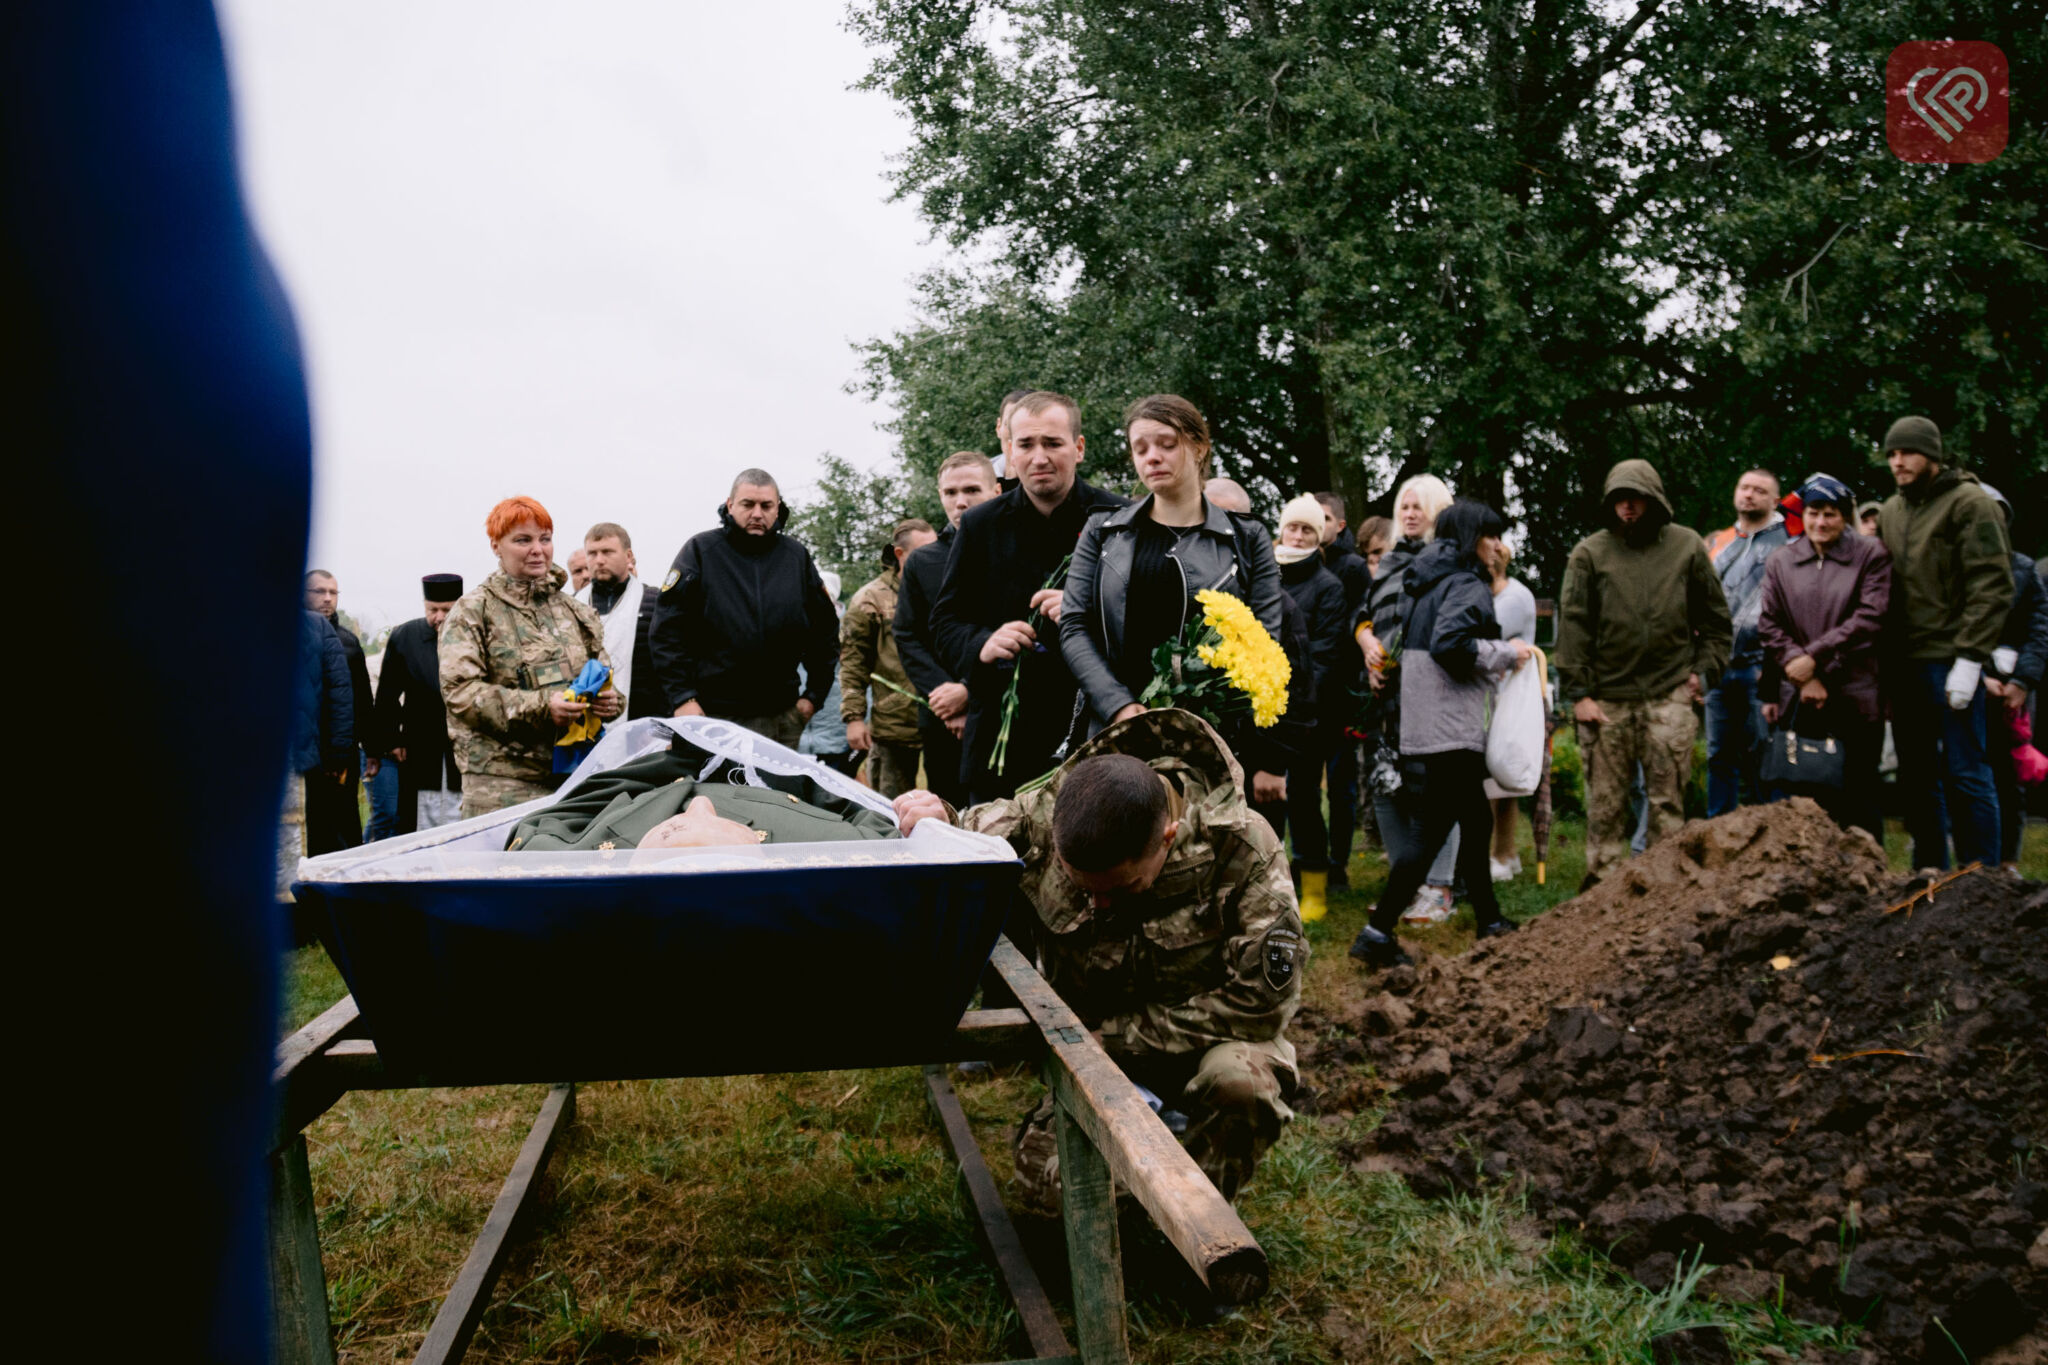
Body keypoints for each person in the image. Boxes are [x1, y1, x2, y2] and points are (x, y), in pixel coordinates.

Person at [894, 710, 1308, 1209]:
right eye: (1083, 889)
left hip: (1208, 1043)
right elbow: (971, 830)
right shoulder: (1050, 814)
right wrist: (939, 817)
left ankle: (1200, 1213)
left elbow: (1262, 1004)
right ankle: (1146, 1161)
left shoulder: (1241, 847)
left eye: (1120, 889)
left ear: (1168, 839)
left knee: (1242, 1087)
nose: (1099, 905)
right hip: (1103, 1058)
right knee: (1052, 1198)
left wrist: (1115, 1036)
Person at [1346, 501, 1534, 970]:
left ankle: (1489, 918)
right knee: (1427, 835)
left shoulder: (1425, 579)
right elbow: (1452, 646)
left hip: (1427, 719)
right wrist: (1506, 651)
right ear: (1474, 537)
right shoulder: (1466, 584)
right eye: (1491, 536)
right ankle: (1376, 934)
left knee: (1476, 821)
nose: (1498, 546)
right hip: (1453, 727)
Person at [931, 391, 1128, 801]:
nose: (1039, 457)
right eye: (1026, 444)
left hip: (1092, 733)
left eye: (1053, 443)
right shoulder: (979, 525)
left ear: (1079, 448)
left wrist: (1084, 609)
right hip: (1001, 741)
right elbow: (944, 622)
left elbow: (1147, 622)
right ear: (1009, 452)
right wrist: (982, 643)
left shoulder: (1119, 520)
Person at [1062, 393, 1285, 735]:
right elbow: (1074, 626)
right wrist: (1118, 705)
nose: (1152, 457)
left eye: (1166, 444)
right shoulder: (1103, 532)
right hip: (1115, 730)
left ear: (1199, 447)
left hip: (1206, 735)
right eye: (1141, 449)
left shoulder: (1247, 537)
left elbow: (1264, 641)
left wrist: (1194, 709)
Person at [1556, 459, 1732, 883]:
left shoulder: (1687, 547)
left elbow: (1716, 622)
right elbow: (1574, 626)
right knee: (1605, 806)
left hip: (1668, 690)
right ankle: (1603, 894)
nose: (1628, 508)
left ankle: (1663, 896)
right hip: (1606, 697)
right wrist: (1579, 694)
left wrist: (1703, 673)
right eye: (1619, 500)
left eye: (1635, 498)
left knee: (1667, 803)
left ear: (1654, 499)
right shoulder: (1589, 554)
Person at [1874, 416, 2012, 870]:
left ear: (1932, 455)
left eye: (1907, 452)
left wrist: (1971, 658)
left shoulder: (1969, 503)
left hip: (1952, 661)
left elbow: (1992, 585)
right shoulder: (1892, 510)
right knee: (1916, 777)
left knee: (1967, 771)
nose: (1898, 461)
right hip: (1905, 664)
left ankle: (1983, 880)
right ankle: (1929, 869)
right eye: (1892, 454)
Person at [441, 496, 621, 817]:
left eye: (545, 539)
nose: (538, 549)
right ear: (497, 546)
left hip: (573, 778)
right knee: (505, 867)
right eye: (523, 540)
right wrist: (542, 707)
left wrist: (609, 701)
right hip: (500, 782)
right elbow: (461, 694)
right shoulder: (473, 611)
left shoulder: (575, 611)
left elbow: (604, 674)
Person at [650, 469, 841, 746]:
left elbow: (825, 632)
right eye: (747, 504)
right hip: (710, 716)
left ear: (778, 508)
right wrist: (683, 699)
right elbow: (667, 633)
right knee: (709, 790)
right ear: (730, 505)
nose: (757, 513)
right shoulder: (701, 552)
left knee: (776, 791)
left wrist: (812, 698)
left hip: (780, 720)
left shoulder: (795, 557)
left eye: (766, 506)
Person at [1754, 475, 1891, 840]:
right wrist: (1801, 674)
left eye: (1831, 514)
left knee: (1859, 794)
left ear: (1845, 517)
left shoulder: (1870, 555)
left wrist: (1813, 660)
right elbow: (1769, 624)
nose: (1820, 522)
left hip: (1856, 694)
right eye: (1814, 512)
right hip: (1799, 695)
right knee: (1805, 800)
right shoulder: (1782, 560)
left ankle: (1869, 884)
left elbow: (1869, 618)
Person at [1354, 473, 1462, 923]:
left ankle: (1439, 889)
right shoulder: (1390, 560)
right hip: (1384, 699)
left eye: (1420, 506)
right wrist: (1367, 647)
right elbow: (1365, 612)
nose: (1410, 513)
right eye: (1405, 505)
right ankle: (1406, 883)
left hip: (1432, 694)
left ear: (1438, 509)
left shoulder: (1451, 560)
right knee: (1386, 786)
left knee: (1434, 790)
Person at [506, 738, 906, 852]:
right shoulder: (830, 844)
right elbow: (878, 826)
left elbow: (538, 829)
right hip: (776, 777)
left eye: (671, 830)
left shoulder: (588, 852)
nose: (701, 806)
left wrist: (679, 760)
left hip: (671, 767)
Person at [1204, 478, 1318, 832]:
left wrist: (1272, 763)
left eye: (1233, 520)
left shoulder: (1277, 605)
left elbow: (1295, 687)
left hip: (1256, 758)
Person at [896, 451, 1002, 807]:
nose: (961, 502)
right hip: (941, 713)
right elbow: (908, 635)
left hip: (1005, 708)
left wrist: (970, 690)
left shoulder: (1012, 551)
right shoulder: (923, 562)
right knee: (946, 812)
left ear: (996, 491)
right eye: (950, 492)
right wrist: (946, 697)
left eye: (972, 489)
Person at [1268, 495, 1350, 920]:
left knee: (1302, 798)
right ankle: (1268, 884)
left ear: (1319, 538)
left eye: (1307, 530)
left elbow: (1325, 656)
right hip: (1260, 706)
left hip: (1306, 713)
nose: (1297, 536)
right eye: (1292, 527)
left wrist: (1291, 696)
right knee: (1264, 803)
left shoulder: (1329, 587)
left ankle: (1314, 886)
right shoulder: (1265, 576)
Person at [1701, 469, 1792, 815]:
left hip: (1764, 666)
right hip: (1720, 665)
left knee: (1765, 753)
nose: (1749, 495)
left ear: (1774, 500)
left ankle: (1771, 833)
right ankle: (1718, 833)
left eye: (1759, 490)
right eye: (1744, 487)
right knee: (1718, 754)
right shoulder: (1717, 542)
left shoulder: (1789, 541)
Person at [842, 519, 938, 798]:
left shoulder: (941, 588)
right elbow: (853, 663)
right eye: (925, 551)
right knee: (891, 809)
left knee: (948, 807)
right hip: (893, 727)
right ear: (900, 554)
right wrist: (854, 718)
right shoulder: (869, 599)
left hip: (943, 723)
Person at [1978, 486, 2045, 870]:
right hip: (1973, 684)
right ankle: (1974, 856)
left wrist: (2022, 681)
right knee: (1969, 771)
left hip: (2015, 690)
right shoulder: (1956, 567)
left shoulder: (2024, 568)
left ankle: (2007, 860)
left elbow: (2039, 628)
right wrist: (1981, 676)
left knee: (2010, 777)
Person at [374, 574, 465, 832]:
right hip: (420, 743)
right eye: (432, 610)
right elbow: (387, 694)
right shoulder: (405, 637)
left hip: (463, 745)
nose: (439, 617)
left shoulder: (475, 633)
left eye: (446, 610)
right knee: (418, 815)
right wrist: (393, 739)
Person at [1313, 492, 1369, 888]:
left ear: (1340, 525)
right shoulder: (1294, 563)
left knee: (1342, 786)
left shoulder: (1353, 568)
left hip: (1343, 695)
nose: (1318, 524)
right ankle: (1310, 858)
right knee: (1303, 787)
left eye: (1326, 517)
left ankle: (1339, 863)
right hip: (1308, 696)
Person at [304, 570, 378, 851]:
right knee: (308, 827)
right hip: (306, 750)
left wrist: (372, 748)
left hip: (341, 752)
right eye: (319, 592)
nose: (327, 599)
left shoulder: (348, 642)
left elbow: (362, 699)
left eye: (332, 593)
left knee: (342, 828)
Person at [574, 521, 668, 720]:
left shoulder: (655, 602)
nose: (599, 560)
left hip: (644, 721)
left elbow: (669, 665)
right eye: (592, 553)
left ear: (628, 556)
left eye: (607, 552)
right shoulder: (571, 606)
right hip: (583, 722)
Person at [1486, 539, 1539, 880]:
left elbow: (1486, 635)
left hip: (1512, 697)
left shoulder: (1513, 598)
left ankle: (1503, 853)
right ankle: (1504, 852)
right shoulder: (1495, 595)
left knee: (1502, 777)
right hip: (1492, 695)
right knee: (1494, 778)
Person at [294, 608, 358, 855]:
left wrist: (338, 753)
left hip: (307, 754)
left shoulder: (317, 627)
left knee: (312, 835)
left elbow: (339, 692)